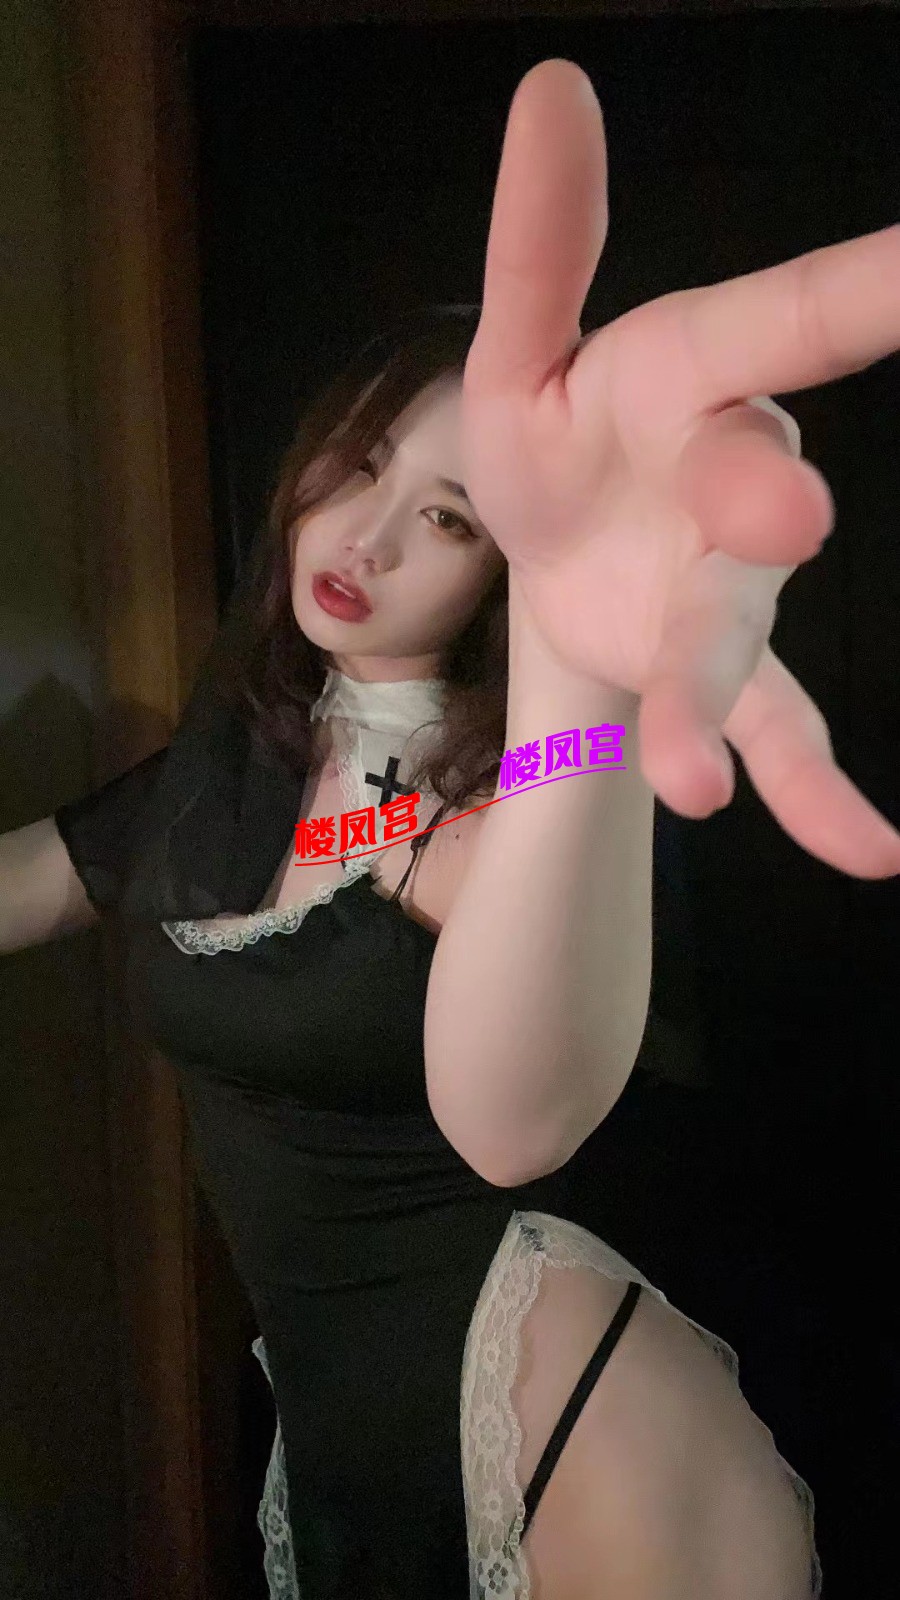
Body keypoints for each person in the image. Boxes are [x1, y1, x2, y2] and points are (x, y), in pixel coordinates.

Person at [5, 56, 900, 1600]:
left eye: (447, 517)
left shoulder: (511, 792)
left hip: (568, 1430)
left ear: (499, 575)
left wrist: (576, 680)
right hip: (336, 1445)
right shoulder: (218, 789)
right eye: (362, 466)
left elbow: (513, 1113)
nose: (367, 539)